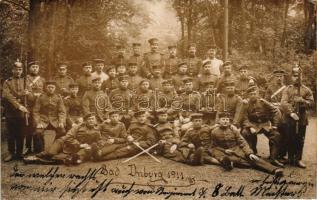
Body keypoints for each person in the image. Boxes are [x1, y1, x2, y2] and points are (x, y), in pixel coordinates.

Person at [209, 112, 284, 176]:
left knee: (252, 158)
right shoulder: (214, 131)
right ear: (219, 121)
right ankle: (230, 163)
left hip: (237, 149)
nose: (225, 121)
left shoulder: (233, 129)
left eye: (227, 119)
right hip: (224, 152)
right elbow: (214, 146)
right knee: (230, 159)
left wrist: (249, 153)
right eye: (223, 119)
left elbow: (242, 142)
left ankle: (274, 169)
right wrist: (225, 150)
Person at [32, 112, 101, 165]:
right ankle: (38, 156)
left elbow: (97, 142)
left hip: (72, 148)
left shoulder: (97, 130)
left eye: (93, 119)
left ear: (95, 121)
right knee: (50, 153)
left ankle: (39, 159)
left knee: (57, 158)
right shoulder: (78, 126)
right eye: (89, 119)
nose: (91, 121)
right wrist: (79, 145)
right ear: (85, 121)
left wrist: (90, 146)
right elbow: (68, 137)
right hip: (62, 142)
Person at [239, 86, 284, 167]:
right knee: (245, 132)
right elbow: (244, 117)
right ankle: (252, 154)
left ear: (258, 94)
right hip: (253, 125)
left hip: (265, 124)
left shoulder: (263, 102)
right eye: (251, 94)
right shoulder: (246, 104)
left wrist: (275, 125)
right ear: (248, 95)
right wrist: (250, 127)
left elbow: (276, 111)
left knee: (276, 135)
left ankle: (274, 158)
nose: (253, 95)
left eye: (254, 93)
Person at [281, 66, 314, 168]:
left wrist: (302, 101)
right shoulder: (287, 89)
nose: (297, 78)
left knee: (300, 139)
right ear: (292, 77)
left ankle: (298, 159)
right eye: (295, 75)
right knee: (289, 138)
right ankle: (290, 158)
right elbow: (283, 103)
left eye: (299, 75)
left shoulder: (306, 90)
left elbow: (312, 103)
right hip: (289, 118)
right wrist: (291, 113)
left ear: (302, 76)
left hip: (301, 119)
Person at [2, 61, 30, 161]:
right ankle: (11, 153)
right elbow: (7, 96)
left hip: (22, 112)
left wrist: (28, 94)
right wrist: (18, 105)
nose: (18, 71)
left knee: (21, 133)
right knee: (11, 133)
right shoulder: (7, 82)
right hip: (11, 111)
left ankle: (19, 153)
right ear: (12, 70)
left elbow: (30, 96)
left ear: (22, 70)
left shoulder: (25, 81)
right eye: (16, 69)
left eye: (20, 69)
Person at [33, 81, 66, 152]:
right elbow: (36, 111)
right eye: (49, 87)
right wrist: (38, 122)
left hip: (55, 120)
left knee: (62, 131)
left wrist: (61, 121)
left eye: (52, 87)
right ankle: (39, 151)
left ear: (55, 88)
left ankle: (56, 147)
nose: (51, 89)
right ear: (46, 88)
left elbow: (62, 111)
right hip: (43, 120)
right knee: (38, 132)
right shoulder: (40, 97)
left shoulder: (58, 97)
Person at [25, 61, 46, 155]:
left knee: (38, 126)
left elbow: (45, 92)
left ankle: (39, 149)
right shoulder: (25, 79)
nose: (35, 69)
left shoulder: (42, 79)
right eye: (33, 67)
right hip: (28, 106)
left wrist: (40, 95)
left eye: (36, 67)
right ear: (29, 68)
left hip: (39, 108)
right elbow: (25, 92)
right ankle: (28, 148)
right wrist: (32, 95)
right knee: (28, 127)